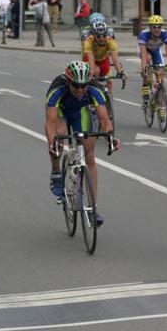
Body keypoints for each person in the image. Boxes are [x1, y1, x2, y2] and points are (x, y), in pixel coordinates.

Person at [45, 61, 120, 224]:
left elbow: (104, 119)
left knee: (90, 154)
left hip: (80, 112)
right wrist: (52, 144)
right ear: (68, 82)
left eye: (83, 86)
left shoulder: (95, 89)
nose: (80, 90)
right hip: (61, 113)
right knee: (59, 135)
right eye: (75, 86)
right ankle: (56, 171)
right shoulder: (57, 88)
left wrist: (110, 138)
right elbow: (50, 123)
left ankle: (93, 208)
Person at [138, 15, 167, 103]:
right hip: (146, 51)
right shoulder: (143, 35)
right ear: (150, 28)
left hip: (156, 51)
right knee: (148, 60)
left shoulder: (165, 34)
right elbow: (143, 56)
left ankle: (161, 104)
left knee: (160, 75)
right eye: (154, 27)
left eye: (159, 27)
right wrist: (144, 70)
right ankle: (145, 86)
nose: (157, 29)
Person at [82, 20, 126, 98]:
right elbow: (91, 61)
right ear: (94, 35)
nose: (102, 39)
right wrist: (91, 75)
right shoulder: (88, 42)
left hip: (103, 60)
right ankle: (93, 94)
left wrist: (120, 73)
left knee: (109, 81)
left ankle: (109, 99)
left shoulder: (111, 42)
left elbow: (115, 60)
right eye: (98, 36)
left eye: (104, 35)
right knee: (96, 71)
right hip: (90, 59)